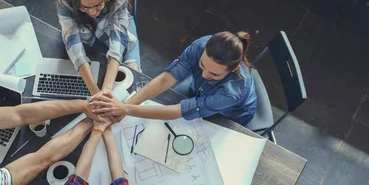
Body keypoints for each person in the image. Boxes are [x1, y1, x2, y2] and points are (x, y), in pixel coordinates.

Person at [89, 31, 258, 126]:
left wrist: (125, 109)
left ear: (234, 68)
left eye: (214, 74)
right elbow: (165, 80)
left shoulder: (232, 92)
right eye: (202, 64)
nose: (205, 75)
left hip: (231, 114)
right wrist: (125, 105)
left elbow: (177, 112)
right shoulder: (202, 45)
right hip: (200, 92)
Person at [57, 0, 140, 95]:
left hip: (119, 29)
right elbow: (73, 44)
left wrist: (106, 90)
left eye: (98, 5)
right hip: (88, 34)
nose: (92, 12)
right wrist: (95, 92)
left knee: (134, 77)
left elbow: (119, 39)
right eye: (84, 7)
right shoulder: (64, 0)